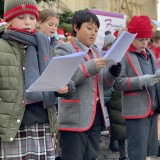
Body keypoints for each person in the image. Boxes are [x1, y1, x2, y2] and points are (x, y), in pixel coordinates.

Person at [0, 0, 74, 159]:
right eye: (21, 17)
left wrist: (65, 86)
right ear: (9, 19)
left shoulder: (44, 44)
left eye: (32, 18)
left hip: (44, 122)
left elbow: (64, 77)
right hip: (14, 127)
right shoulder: (2, 46)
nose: (28, 22)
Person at [55, 9, 122, 160]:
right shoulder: (65, 48)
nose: (93, 33)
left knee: (91, 156)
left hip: (96, 115)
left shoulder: (97, 52)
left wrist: (112, 73)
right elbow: (63, 79)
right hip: (74, 117)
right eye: (89, 28)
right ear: (76, 27)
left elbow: (102, 85)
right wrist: (90, 67)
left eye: (96, 30)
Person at [115, 15, 160, 160]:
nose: (145, 43)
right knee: (137, 153)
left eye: (147, 39)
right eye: (141, 39)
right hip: (136, 111)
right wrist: (142, 80)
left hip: (152, 109)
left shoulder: (150, 54)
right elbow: (118, 83)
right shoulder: (124, 54)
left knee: (150, 152)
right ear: (131, 37)